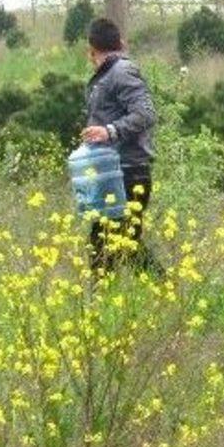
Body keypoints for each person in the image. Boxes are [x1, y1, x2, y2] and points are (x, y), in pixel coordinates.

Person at [81, 17, 161, 274]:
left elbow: (146, 113)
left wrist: (109, 131)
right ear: (121, 43)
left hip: (128, 172)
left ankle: (165, 287)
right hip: (113, 172)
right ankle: (162, 289)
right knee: (110, 244)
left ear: (91, 49)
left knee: (118, 244)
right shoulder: (108, 74)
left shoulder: (121, 71)